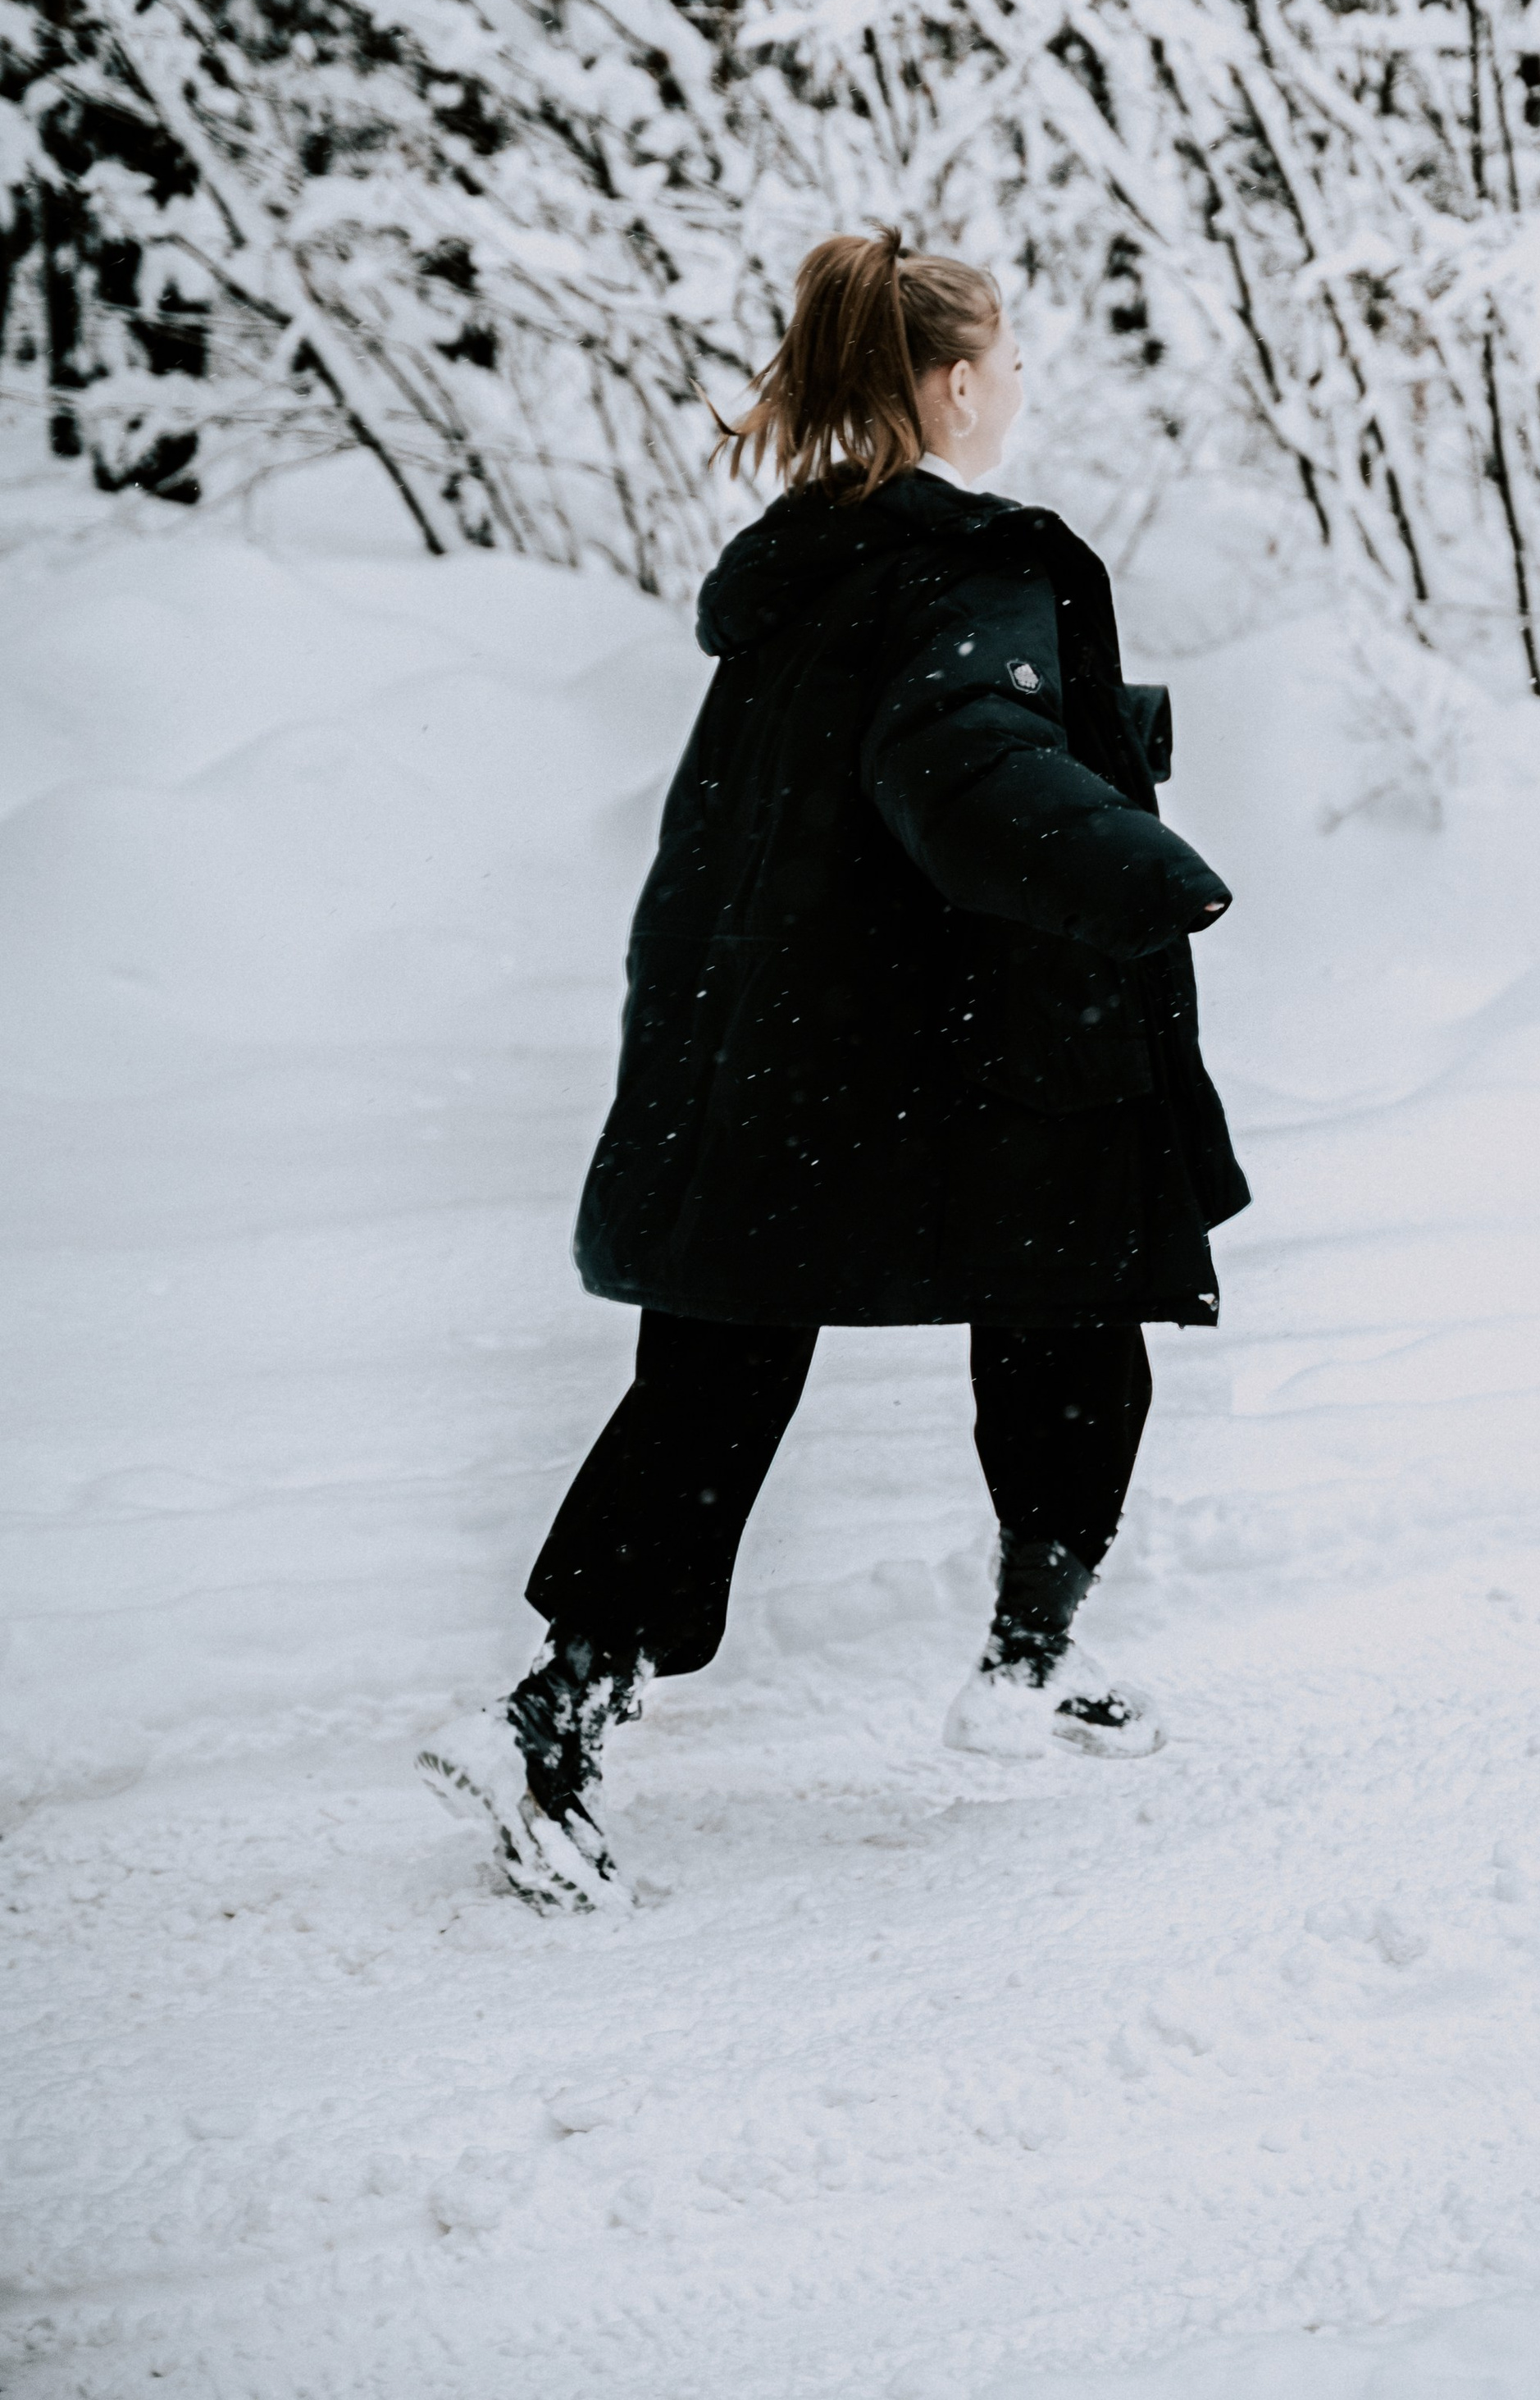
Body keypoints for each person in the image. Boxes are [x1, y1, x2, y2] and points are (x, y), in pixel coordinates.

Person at [419, 231, 1247, 1910]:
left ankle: (573, 1697)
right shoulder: (975, 568)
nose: (1017, 384)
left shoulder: (817, 564)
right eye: (1006, 358)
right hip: (981, 1046)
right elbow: (959, 757)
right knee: (1071, 1293)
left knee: (719, 1371)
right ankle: (1020, 1656)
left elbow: (904, 736)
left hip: (785, 1050)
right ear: (948, 381)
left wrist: (1109, 730)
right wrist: (1148, 865)